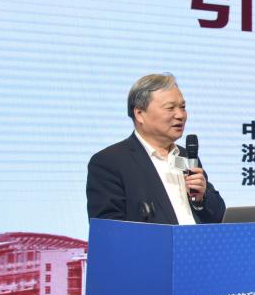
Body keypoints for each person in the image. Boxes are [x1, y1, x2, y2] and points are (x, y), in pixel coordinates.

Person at [87, 73, 226, 224]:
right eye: (170, 108)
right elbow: (108, 229)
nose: (180, 115)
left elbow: (220, 217)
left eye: (183, 107)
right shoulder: (110, 162)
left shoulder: (186, 156)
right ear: (139, 114)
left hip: (197, 239)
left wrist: (201, 198)